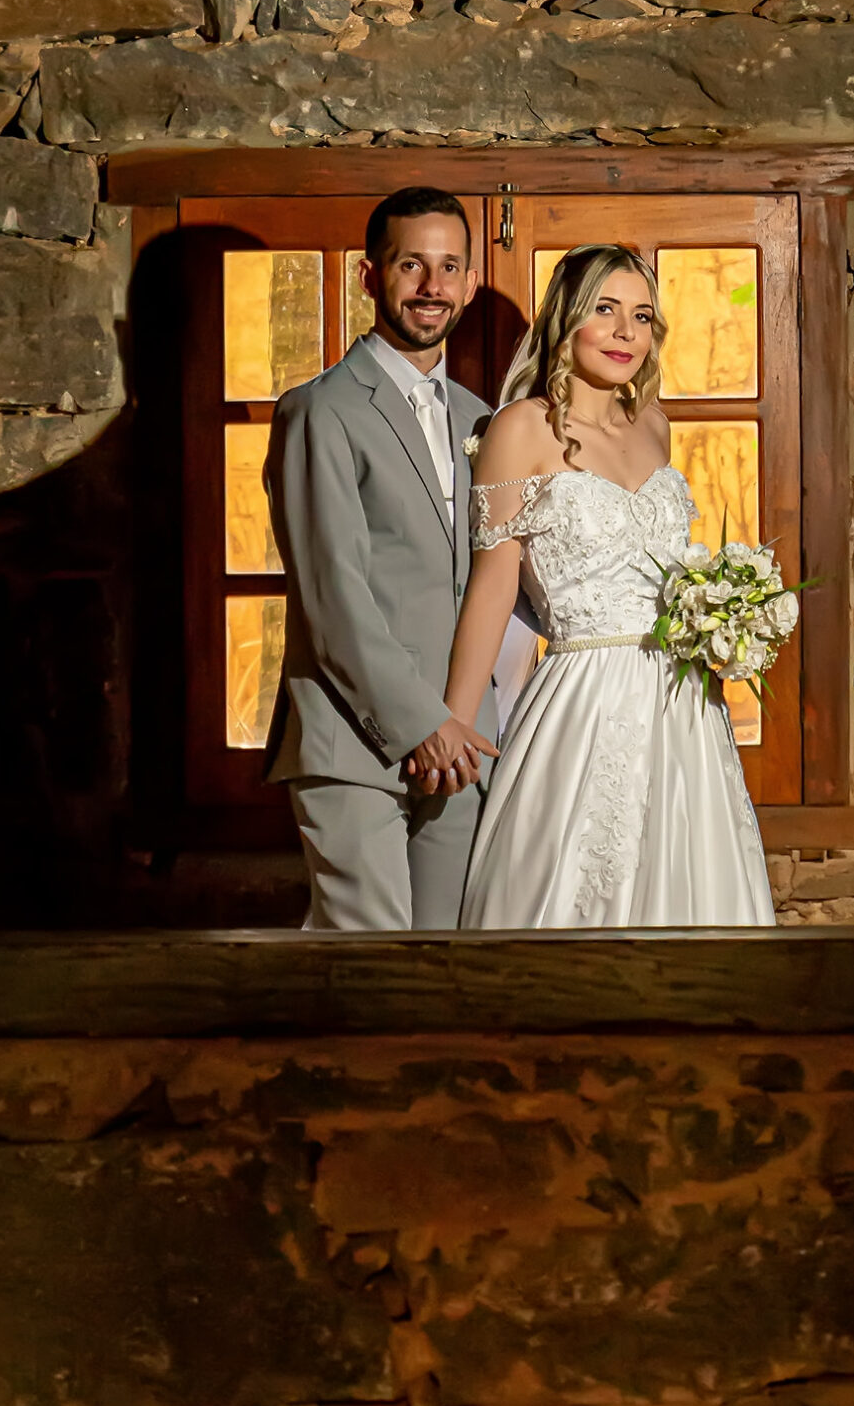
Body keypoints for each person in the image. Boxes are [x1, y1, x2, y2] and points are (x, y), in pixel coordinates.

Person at [432, 245, 776, 930]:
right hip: (583, 697)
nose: (626, 332)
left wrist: (718, 619)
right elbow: (493, 588)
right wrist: (455, 720)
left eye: (642, 316)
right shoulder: (520, 428)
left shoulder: (654, 425)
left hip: (683, 701)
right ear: (567, 319)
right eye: (605, 309)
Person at [262, 187, 502, 929]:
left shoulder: (480, 420)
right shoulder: (320, 410)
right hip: (352, 742)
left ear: (470, 282)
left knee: (447, 969)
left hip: (464, 745)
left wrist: (460, 722)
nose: (432, 286)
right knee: (369, 968)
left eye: (449, 267)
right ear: (369, 276)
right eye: (410, 265)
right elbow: (331, 594)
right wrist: (419, 723)